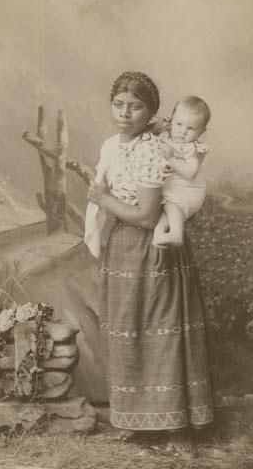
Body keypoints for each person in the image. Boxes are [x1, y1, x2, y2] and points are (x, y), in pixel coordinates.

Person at [86, 71, 214, 443]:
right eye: (119, 105)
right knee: (127, 333)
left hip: (153, 247)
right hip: (122, 247)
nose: (125, 113)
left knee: (162, 334)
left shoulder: (152, 150)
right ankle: (133, 420)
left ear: (151, 112)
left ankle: (177, 428)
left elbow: (144, 214)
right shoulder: (112, 146)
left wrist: (104, 199)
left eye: (136, 106)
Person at [152, 96, 211, 248]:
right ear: (172, 120)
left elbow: (190, 172)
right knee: (163, 215)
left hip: (188, 191)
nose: (182, 132)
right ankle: (159, 235)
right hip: (173, 189)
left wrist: (171, 159)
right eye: (178, 124)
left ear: (201, 131)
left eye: (191, 128)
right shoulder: (166, 138)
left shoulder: (193, 148)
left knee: (171, 205)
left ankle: (176, 235)